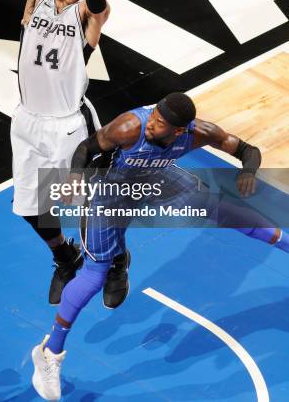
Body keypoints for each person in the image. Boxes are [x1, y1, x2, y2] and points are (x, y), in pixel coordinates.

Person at [31, 91, 289, 400]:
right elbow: (86, 147)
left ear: (179, 130)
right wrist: (74, 176)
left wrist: (247, 171)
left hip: (156, 177)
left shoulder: (198, 133)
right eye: (154, 114)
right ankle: (50, 352)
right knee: (94, 275)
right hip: (110, 191)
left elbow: (248, 149)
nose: (152, 122)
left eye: (161, 122)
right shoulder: (129, 127)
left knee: (214, 205)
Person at [10, 0, 112, 308]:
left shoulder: (91, 15)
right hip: (27, 119)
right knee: (30, 209)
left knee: (88, 205)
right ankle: (64, 257)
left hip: (68, 123)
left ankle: (113, 261)